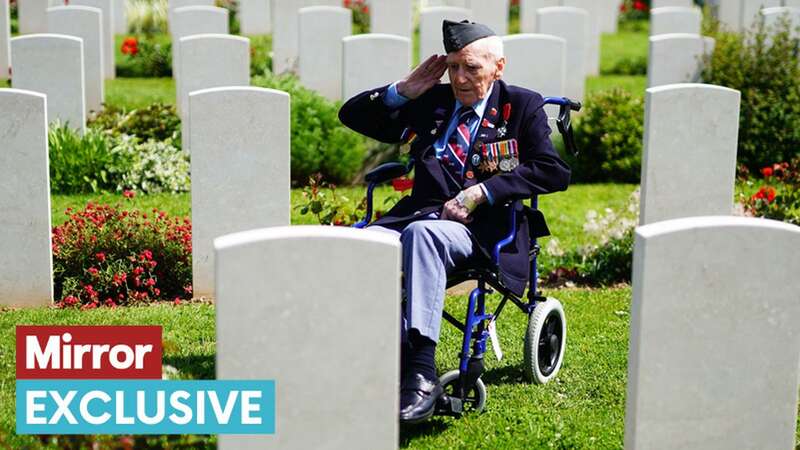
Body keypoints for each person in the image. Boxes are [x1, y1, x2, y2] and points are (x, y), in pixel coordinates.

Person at [338, 20, 571, 424]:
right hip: (418, 215)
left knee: (422, 235)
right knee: (360, 245)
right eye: (453, 67)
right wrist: (404, 91)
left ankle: (421, 374)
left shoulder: (521, 105)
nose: (460, 79)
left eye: (472, 69)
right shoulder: (435, 101)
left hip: (481, 229)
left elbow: (552, 171)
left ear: (498, 66)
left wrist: (485, 191)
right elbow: (352, 116)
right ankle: (368, 357)